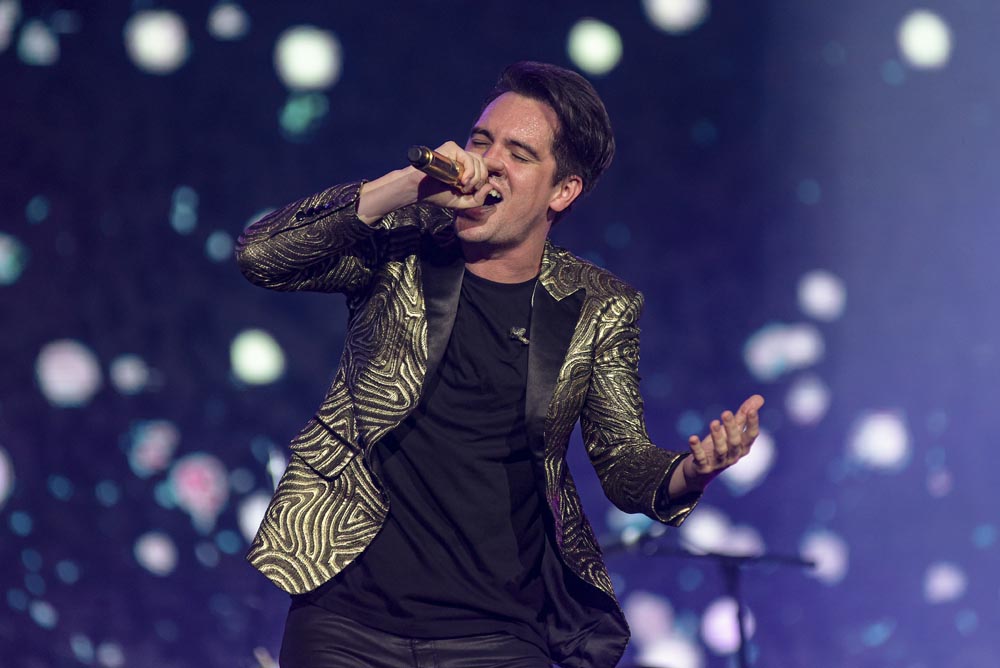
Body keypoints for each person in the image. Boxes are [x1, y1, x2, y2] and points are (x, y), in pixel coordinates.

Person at [236, 61, 763, 668]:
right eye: (481, 141)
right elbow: (262, 256)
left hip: (498, 633)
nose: (488, 163)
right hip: (346, 619)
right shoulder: (402, 247)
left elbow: (623, 464)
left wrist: (691, 472)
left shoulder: (599, 306)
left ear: (562, 191)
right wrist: (399, 187)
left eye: (519, 152)